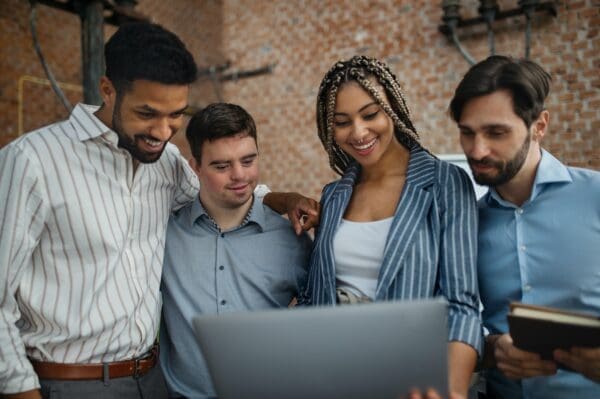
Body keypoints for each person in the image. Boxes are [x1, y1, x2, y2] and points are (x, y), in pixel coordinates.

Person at [0, 22, 315, 399]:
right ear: (108, 90)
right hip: (69, 384)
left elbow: (224, 191)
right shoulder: (32, 162)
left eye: (175, 115)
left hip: (153, 383)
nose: (164, 132)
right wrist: (20, 390)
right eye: (147, 113)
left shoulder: (164, 161)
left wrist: (284, 199)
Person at [299, 55, 482, 398]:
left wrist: (452, 391)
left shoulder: (444, 184)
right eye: (341, 122)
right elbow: (316, 298)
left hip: (414, 383)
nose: (358, 132)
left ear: (393, 109)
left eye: (370, 115)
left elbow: (461, 305)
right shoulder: (335, 195)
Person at [449, 55, 600, 398]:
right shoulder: (465, 224)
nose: (477, 150)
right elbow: (457, 327)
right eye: (467, 133)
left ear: (539, 125)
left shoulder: (596, 197)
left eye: (496, 133)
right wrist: (492, 350)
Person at [158, 103, 312, 398]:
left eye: (248, 160)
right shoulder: (165, 236)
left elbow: (320, 320)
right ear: (196, 168)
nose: (239, 175)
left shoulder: (292, 238)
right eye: (221, 166)